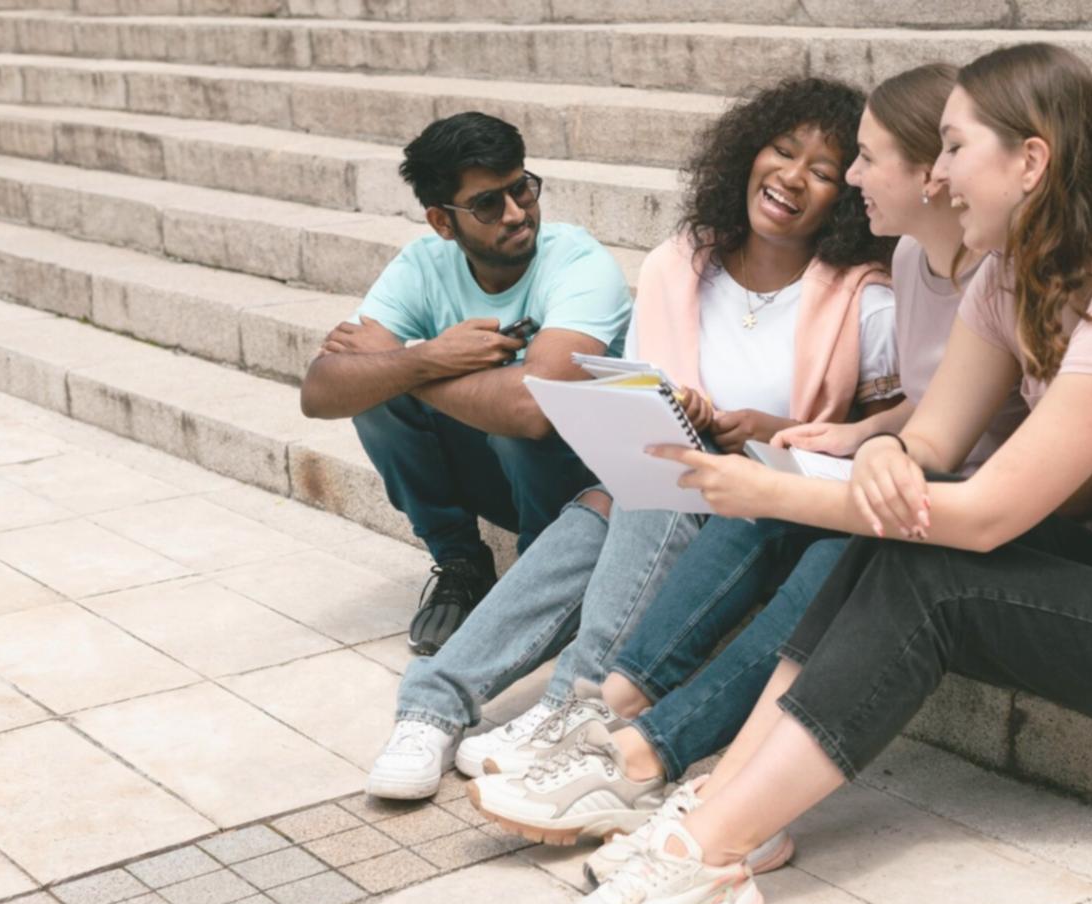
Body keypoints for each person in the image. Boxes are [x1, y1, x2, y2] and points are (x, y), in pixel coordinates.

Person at [543, 43, 1092, 904]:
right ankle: (734, 803)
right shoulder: (1010, 278)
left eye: (955, 148)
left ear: (1030, 161)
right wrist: (885, 451)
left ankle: (705, 855)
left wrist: (767, 489)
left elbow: (986, 517)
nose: (936, 174)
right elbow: (929, 440)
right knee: (890, 550)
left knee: (930, 569)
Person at [465, 63, 1092, 871]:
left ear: (932, 175)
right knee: (759, 487)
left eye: (866, 158)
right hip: (935, 482)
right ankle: (606, 709)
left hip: (1007, 506)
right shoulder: (920, 264)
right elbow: (940, 411)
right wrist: (864, 435)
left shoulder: (1010, 278)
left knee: (823, 532)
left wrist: (856, 463)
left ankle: (642, 750)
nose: (846, 177)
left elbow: (1073, 470)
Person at [366, 77, 899, 802]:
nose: (792, 178)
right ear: (748, 152)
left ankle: (573, 701)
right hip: (664, 493)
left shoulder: (864, 302)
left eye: (825, 171)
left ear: (846, 194)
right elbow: (643, 410)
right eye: (782, 151)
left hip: (772, 514)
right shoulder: (680, 265)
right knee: (623, 493)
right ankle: (435, 708)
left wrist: (775, 431)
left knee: (657, 482)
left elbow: (891, 445)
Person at [299, 112, 632, 656]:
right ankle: (461, 566)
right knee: (375, 404)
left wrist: (411, 369)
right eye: (487, 204)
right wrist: (428, 359)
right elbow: (320, 391)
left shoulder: (579, 264)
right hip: (500, 475)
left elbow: (535, 408)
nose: (517, 213)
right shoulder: (423, 266)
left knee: (497, 421)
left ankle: (547, 581)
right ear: (442, 222)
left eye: (522, 188)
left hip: (586, 486)